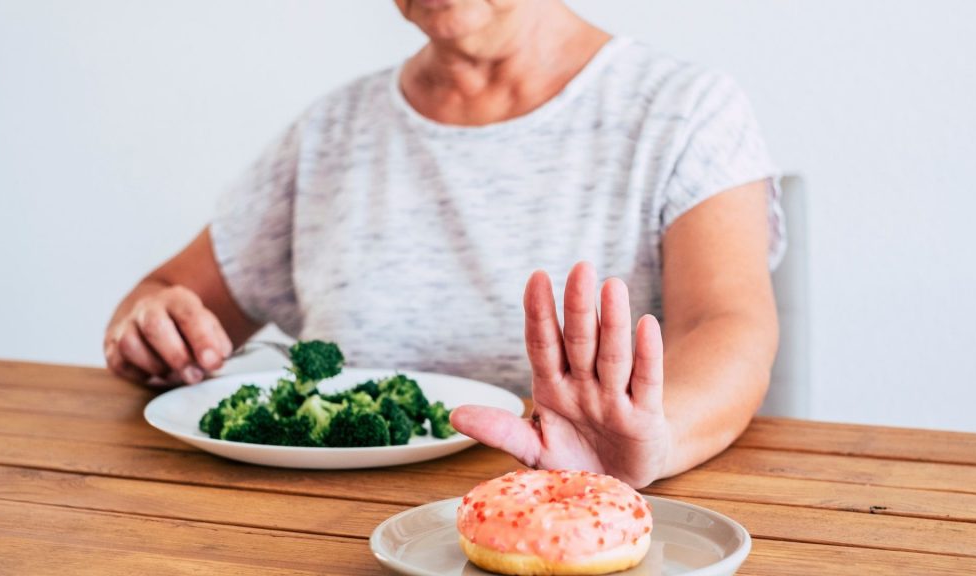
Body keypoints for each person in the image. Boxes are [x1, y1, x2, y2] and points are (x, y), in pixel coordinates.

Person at [104, 0, 784, 488]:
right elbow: (168, 295)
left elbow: (729, 325)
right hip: (317, 531)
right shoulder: (331, 132)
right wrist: (153, 326)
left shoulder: (686, 109)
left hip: (577, 517)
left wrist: (651, 443)